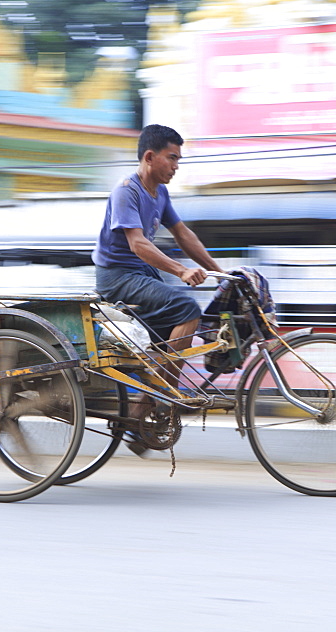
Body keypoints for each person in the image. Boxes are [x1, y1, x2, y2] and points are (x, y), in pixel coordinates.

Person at [92, 124, 223, 451]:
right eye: (172, 158)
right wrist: (180, 270)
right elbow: (137, 244)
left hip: (141, 274)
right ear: (150, 157)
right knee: (187, 309)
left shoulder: (160, 194)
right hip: (117, 276)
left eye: (179, 159)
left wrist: (219, 272)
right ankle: (164, 394)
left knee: (175, 328)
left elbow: (183, 234)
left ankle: (140, 416)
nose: (176, 166)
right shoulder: (127, 191)